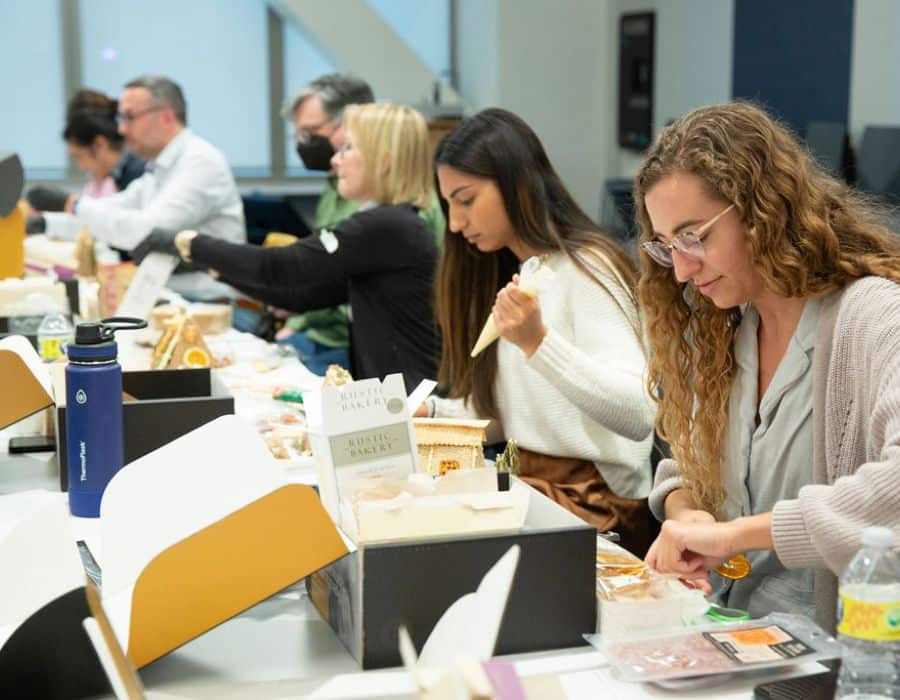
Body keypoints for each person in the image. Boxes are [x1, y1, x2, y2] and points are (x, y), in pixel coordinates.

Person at [636, 101, 900, 631]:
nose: (683, 270)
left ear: (762, 210)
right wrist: (691, 519)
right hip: (725, 637)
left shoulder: (872, 316)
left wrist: (735, 536)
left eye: (695, 237)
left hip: (827, 665)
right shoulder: (728, 323)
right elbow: (687, 467)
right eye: (668, 247)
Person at [422, 108, 656, 555]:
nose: (454, 223)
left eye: (466, 200)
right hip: (534, 490)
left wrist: (538, 343)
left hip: (596, 511)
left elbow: (639, 413)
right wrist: (433, 413)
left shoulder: (588, 269)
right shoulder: (523, 270)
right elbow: (515, 414)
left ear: (515, 184)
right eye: (448, 204)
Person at [135, 103, 439, 389]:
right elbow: (300, 295)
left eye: (347, 148)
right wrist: (213, 268)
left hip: (413, 407)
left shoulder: (386, 226)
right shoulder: (390, 225)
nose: (335, 161)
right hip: (396, 397)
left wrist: (190, 243)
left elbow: (283, 266)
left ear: (383, 160)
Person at [271, 74, 446, 373]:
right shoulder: (338, 185)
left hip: (350, 340)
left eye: (311, 132)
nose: (304, 144)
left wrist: (193, 246)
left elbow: (331, 277)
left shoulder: (386, 209)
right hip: (334, 332)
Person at [61, 75, 245, 300]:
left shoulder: (201, 162)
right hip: (173, 296)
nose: (121, 130)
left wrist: (76, 205)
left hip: (213, 303)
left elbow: (145, 233)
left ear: (166, 116)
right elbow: (113, 207)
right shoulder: (160, 166)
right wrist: (52, 219)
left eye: (129, 117)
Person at [27, 90, 145, 215]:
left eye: (79, 157)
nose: (81, 167)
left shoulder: (137, 174)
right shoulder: (108, 178)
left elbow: (113, 219)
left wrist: (69, 204)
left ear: (99, 145)